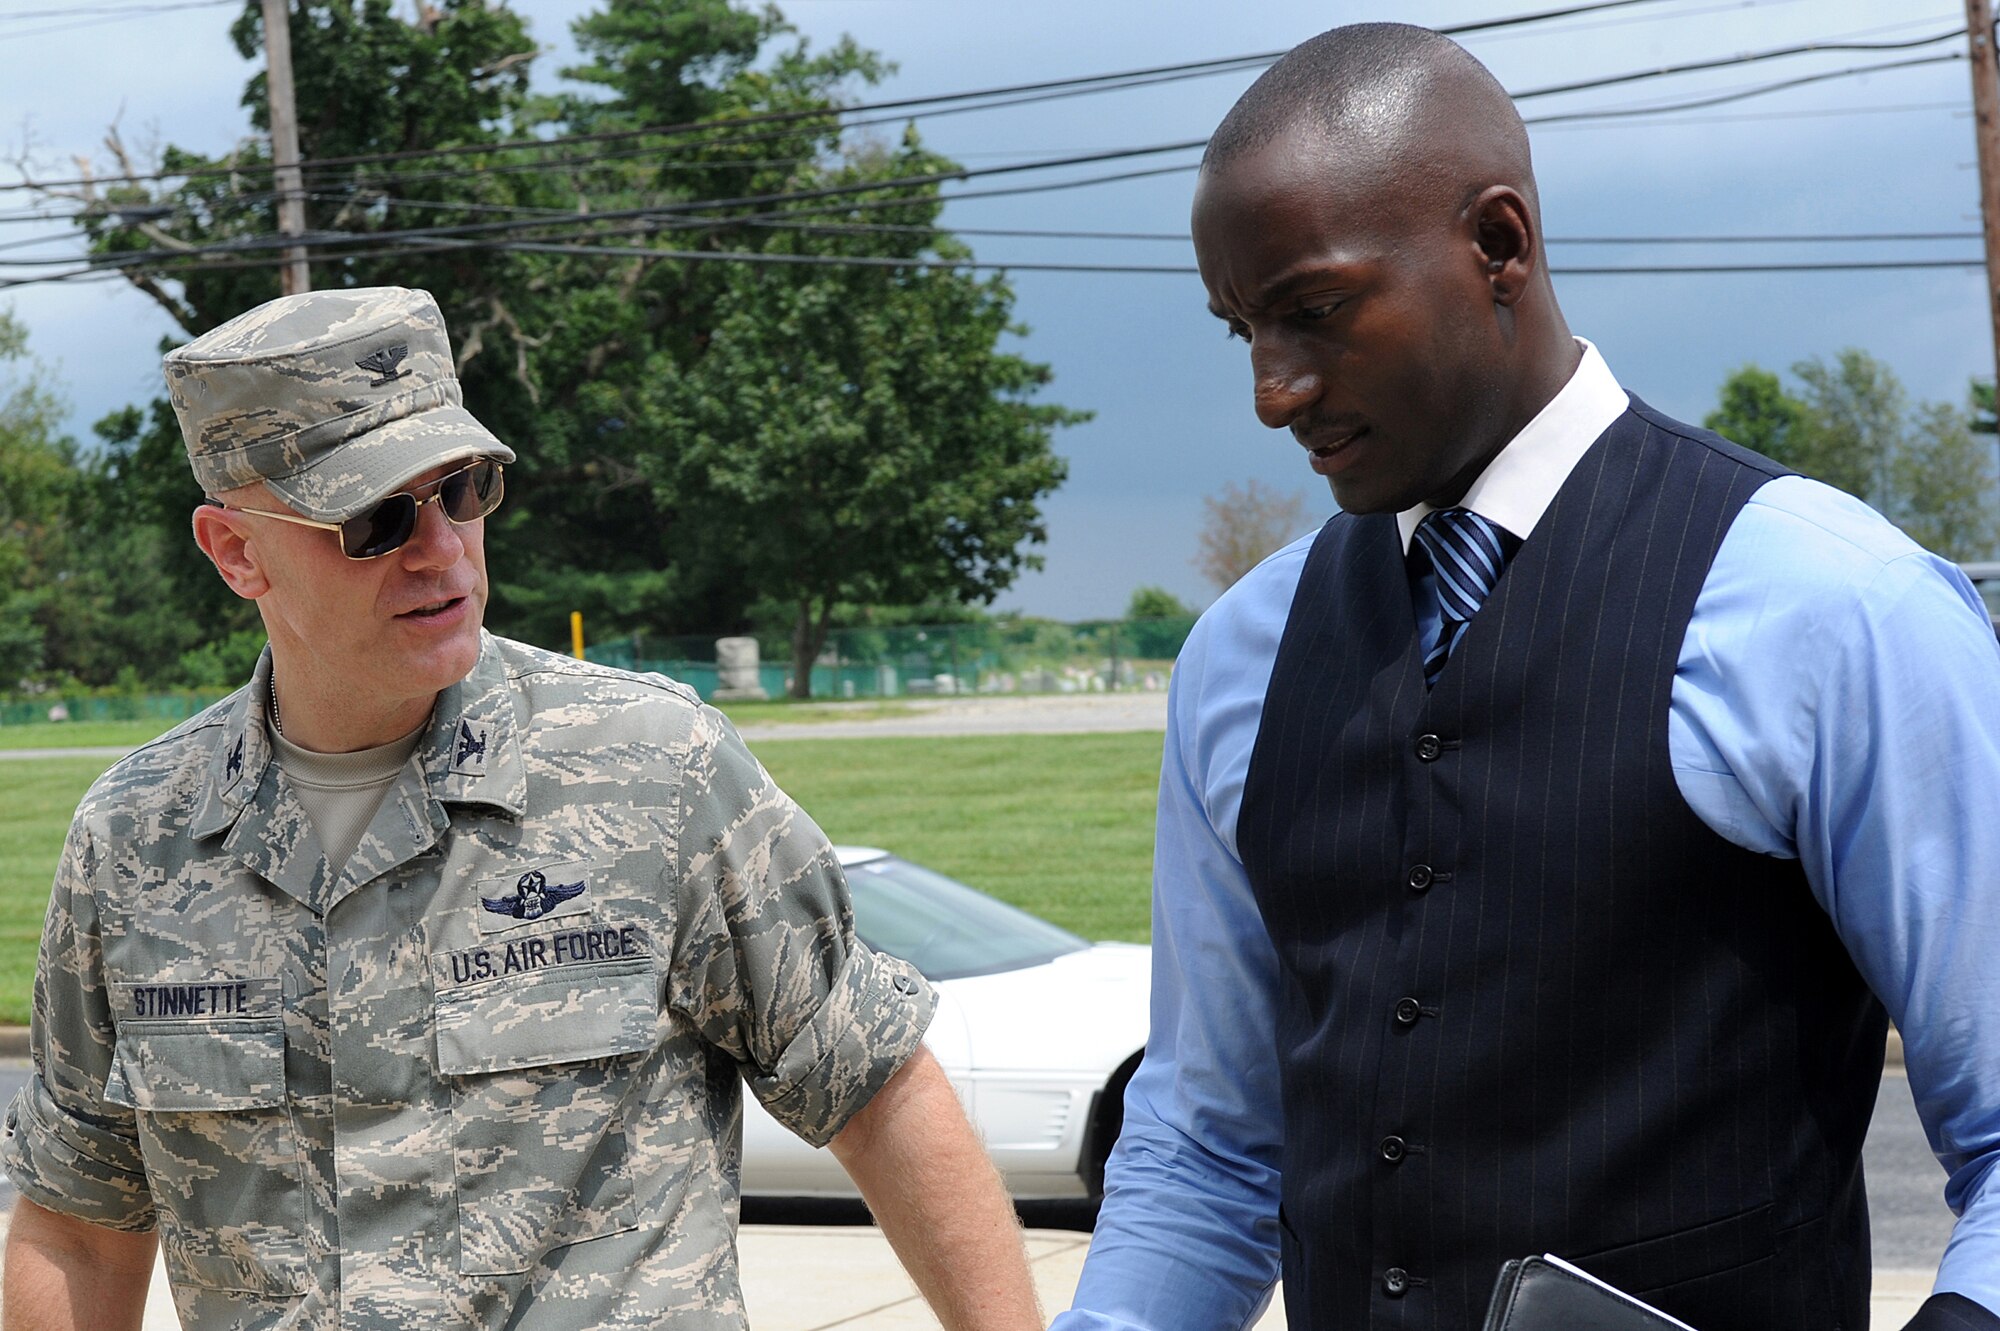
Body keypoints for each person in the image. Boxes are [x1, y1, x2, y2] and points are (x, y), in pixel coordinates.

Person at [1058, 22, 2000, 1331]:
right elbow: (1208, 1149)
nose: (1273, 390)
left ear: (1499, 244)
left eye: (1315, 310)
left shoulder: (1834, 608)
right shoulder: (1239, 660)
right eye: (1242, 330)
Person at [0, 286, 1043, 1331]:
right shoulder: (137, 839)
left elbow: (875, 1091)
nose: (440, 547)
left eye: (463, 489)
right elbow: (81, 1222)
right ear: (236, 552)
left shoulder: (653, 770)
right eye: (374, 518)